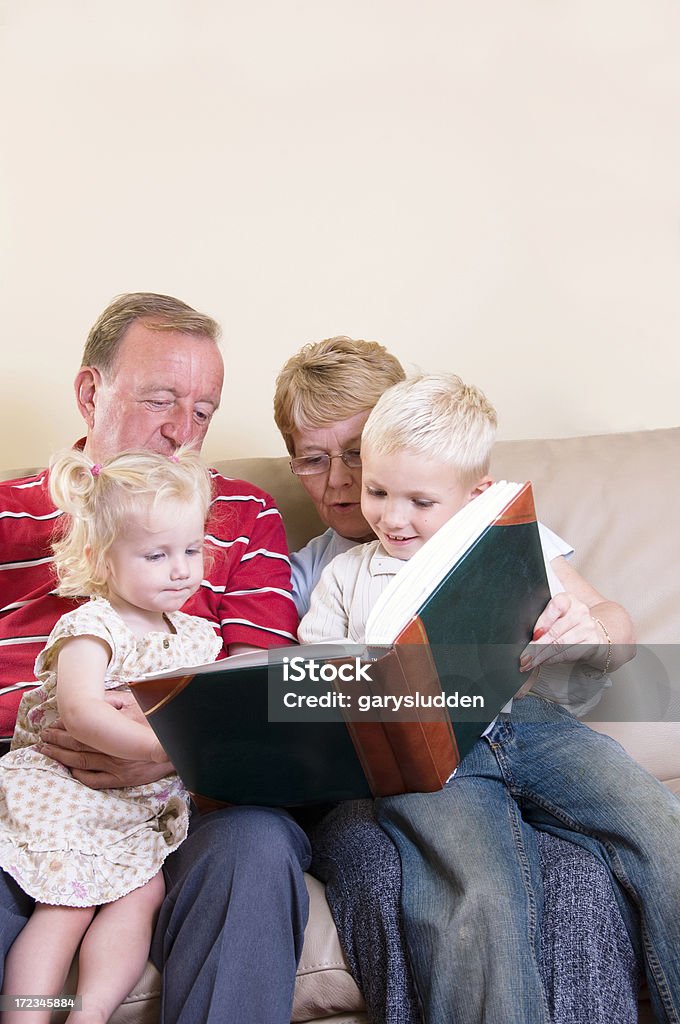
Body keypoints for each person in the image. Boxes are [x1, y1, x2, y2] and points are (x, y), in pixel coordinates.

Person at [274, 338, 639, 1024]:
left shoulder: (489, 532)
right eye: (314, 459)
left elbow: (609, 624)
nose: (346, 483)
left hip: (520, 735)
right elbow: (291, 698)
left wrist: (588, 631)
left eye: (358, 454)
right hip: (395, 772)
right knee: (464, 890)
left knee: (582, 880)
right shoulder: (311, 572)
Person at [0, 294, 308, 1024]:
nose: (183, 430)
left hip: (191, 797)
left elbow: (263, 692)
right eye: (161, 399)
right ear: (90, 393)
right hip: (30, 782)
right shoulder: (9, 512)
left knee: (259, 848)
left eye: (203, 410)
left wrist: (168, 752)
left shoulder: (242, 513)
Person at [0, 447, 222, 1024]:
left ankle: (89, 1014)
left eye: (192, 550)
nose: (181, 569)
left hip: (136, 810)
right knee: (65, 909)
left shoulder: (198, 637)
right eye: (156, 555)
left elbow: (216, 713)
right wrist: (165, 747)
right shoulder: (92, 626)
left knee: (141, 898)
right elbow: (80, 711)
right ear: (102, 558)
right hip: (71, 793)